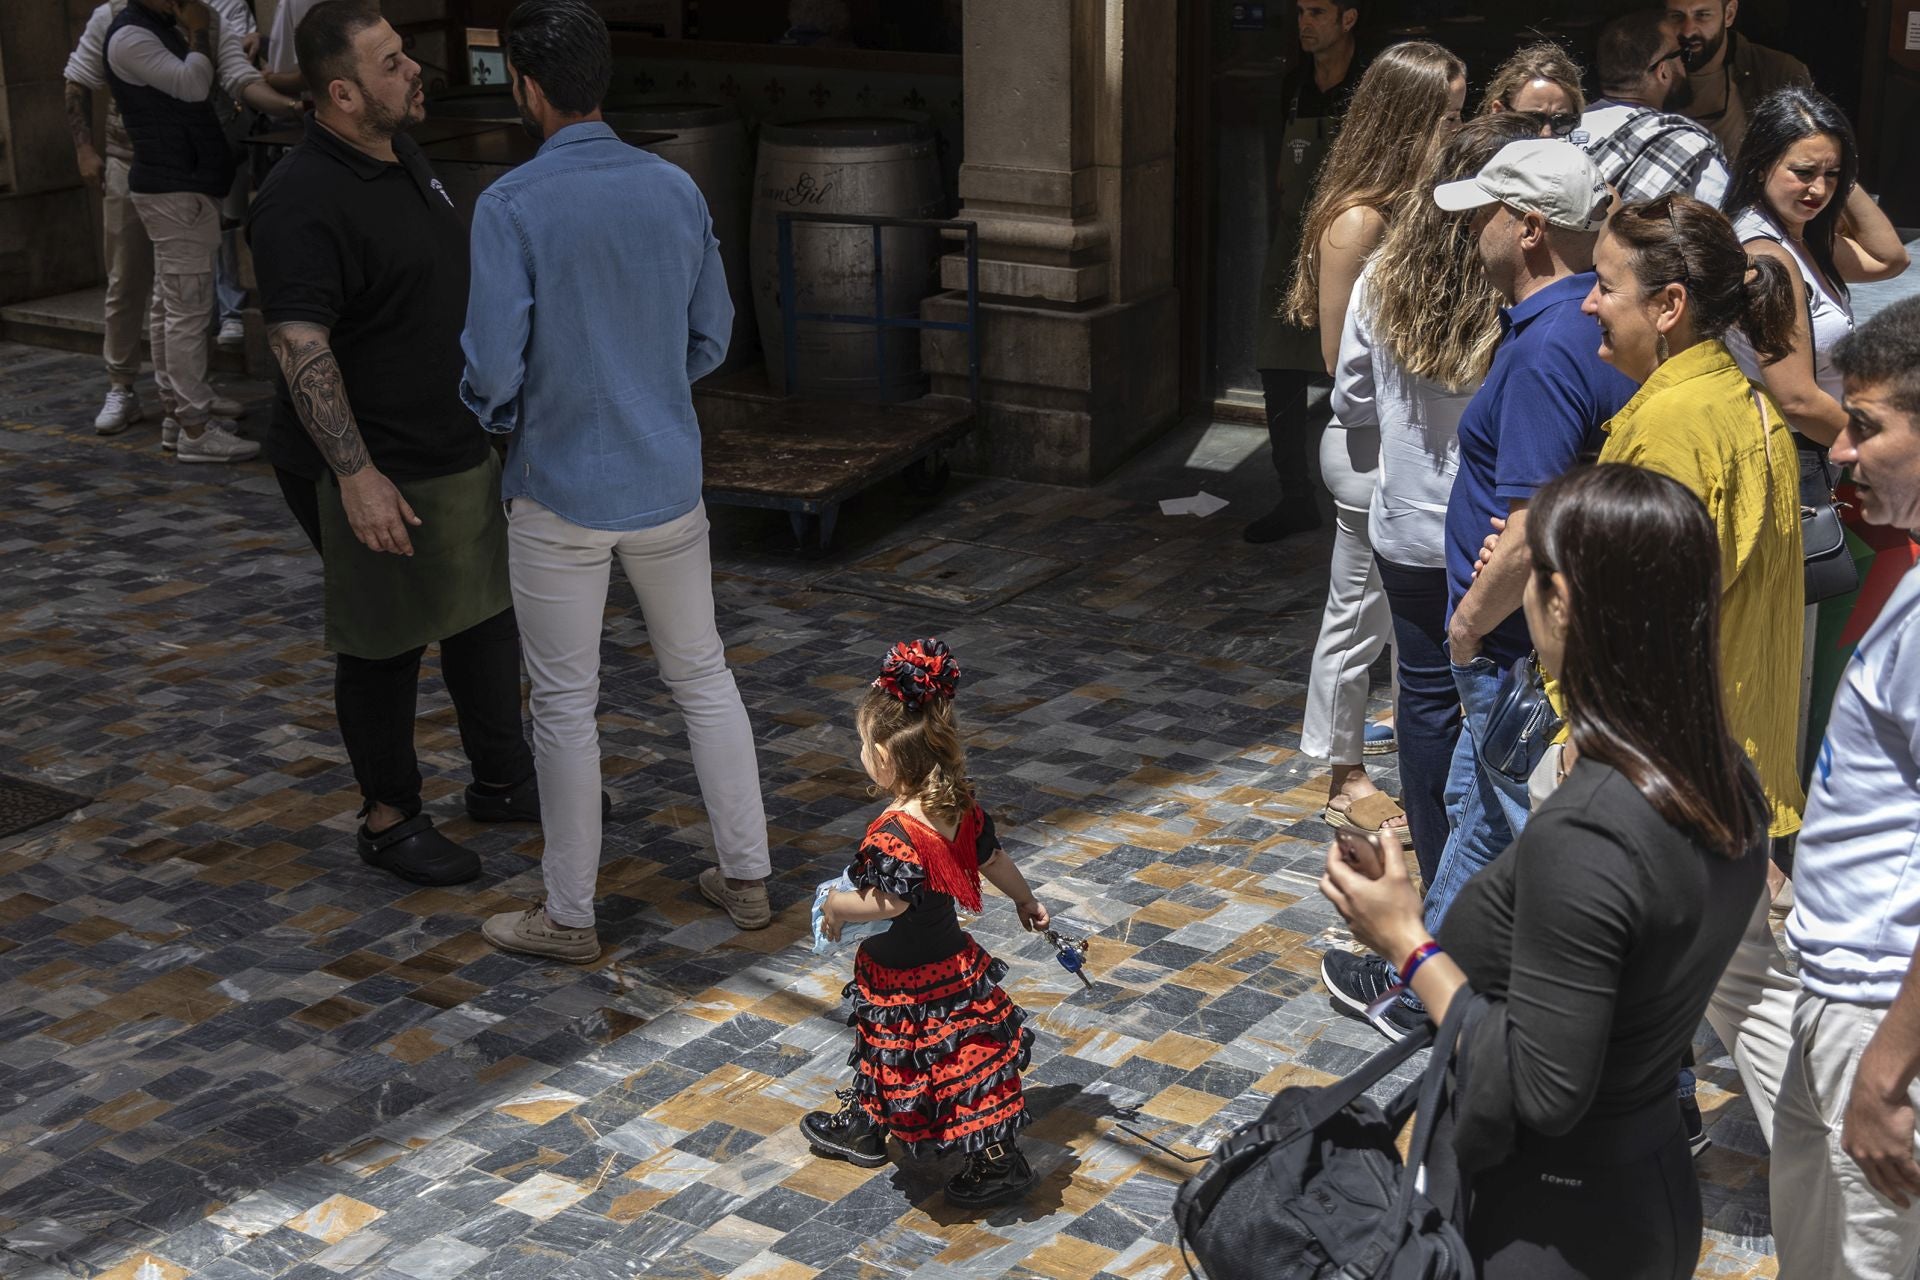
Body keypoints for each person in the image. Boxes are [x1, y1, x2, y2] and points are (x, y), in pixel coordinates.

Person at [1321, 462, 1770, 1279]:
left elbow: (1543, 1085)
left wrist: (1405, 941)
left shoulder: (1593, 830)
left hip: (1549, 1221)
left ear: (1560, 605)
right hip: (1647, 1190)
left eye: (1527, 573)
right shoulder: (1723, 778)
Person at [457, 0, 774, 957]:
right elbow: (712, 335)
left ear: (528, 88)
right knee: (704, 675)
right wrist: (644, 388)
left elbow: (492, 369)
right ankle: (749, 879)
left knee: (563, 704)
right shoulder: (674, 189)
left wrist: (504, 418)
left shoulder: (510, 204)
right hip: (667, 478)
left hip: (555, 486)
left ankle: (569, 916)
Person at [1321, 138, 1637, 1039]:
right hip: (1511, 649)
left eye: (1490, 211)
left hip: (1508, 652)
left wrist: (1464, 625)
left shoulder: (1551, 349)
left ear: (1530, 228)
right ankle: (1426, 988)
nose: (1474, 229)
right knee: (1477, 820)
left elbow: (1530, 521)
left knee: (1504, 821)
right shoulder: (1568, 325)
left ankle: (1441, 1006)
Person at [248, 0, 540, 890]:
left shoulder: (400, 151)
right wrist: (357, 476)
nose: (413, 69)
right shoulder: (299, 199)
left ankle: (502, 779)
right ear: (341, 93)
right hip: (371, 465)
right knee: (385, 642)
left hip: (449, 444)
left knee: (485, 624)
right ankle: (389, 817)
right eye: (390, 62)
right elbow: (300, 345)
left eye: (404, 53)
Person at [1582, 193, 1807, 1139]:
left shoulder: (1674, 428)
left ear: (1667, 305)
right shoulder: (1739, 398)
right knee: (1735, 992)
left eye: (1603, 286)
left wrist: (1594, 740)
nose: (1590, 305)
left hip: (1680, 771)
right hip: (1728, 762)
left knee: (1751, 1002)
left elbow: (1648, 623)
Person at [1332, 111, 1537, 884]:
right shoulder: (1521, 297)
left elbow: (1350, 396)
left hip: (1409, 531)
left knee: (1422, 706)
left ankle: (1440, 869)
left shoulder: (1384, 275)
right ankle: (1487, 881)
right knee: (1507, 709)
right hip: (1493, 539)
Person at [1284, 40, 1467, 851]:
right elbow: (1336, 359)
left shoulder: (1426, 204)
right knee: (1357, 616)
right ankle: (1341, 774)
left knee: (1395, 620)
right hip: (1364, 447)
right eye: (1451, 115)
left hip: (1402, 445)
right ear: (1411, 118)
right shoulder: (1359, 220)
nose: (1459, 131)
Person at [1770, 296, 1920, 1280]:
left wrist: (1888, 1066)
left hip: (1879, 1023)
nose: (1843, 451)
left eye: (1866, 427)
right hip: (1833, 993)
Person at [801, 639, 1050, 1210]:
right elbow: (992, 860)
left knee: (940, 1063)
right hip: (953, 961)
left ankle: (998, 1163)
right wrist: (1025, 899)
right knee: (940, 1055)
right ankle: (869, 1122)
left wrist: (839, 907)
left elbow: (888, 905)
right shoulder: (959, 806)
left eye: (864, 744)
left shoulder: (894, 831)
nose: (862, 752)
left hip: (908, 974)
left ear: (885, 756)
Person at [62, 0, 269, 439]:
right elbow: (78, 80)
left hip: (188, 166)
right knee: (128, 279)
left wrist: (287, 101)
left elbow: (236, 74)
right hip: (130, 162)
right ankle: (122, 384)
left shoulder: (204, 14)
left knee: (175, 293)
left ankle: (185, 399)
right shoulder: (115, 17)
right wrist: (84, 147)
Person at [1723, 87, 1909, 448]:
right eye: (1803, 172)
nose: (1819, 190)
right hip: (1792, 454)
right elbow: (1797, 401)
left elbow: (1889, 259)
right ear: (1761, 167)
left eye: (1832, 174)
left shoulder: (1798, 236)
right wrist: (1884, 450)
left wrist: (1836, 167)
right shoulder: (1766, 256)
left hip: (1815, 448)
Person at [1246, 0, 1365, 545]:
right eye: (1299, 11)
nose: (1304, 23)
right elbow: (1280, 174)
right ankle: (1295, 496)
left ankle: (1364, 495)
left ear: (1348, 18)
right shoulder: (1293, 85)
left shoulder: (1370, 87)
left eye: (1317, 11)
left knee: (1356, 367)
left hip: (1354, 242)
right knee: (1278, 369)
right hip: (1292, 244)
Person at [1578, 11, 1730, 207]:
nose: (1685, 64)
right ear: (1663, 71)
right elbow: (1727, 224)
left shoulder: (1561, 125)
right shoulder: (1685, 148)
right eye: (1681, 54)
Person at [1666, 0, 1810, 157]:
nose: (1688, 31)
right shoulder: (1646, 70)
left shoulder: (1777, 71)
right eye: (1676, 16)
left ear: (1729, 14)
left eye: (1702, 15)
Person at [1477, 39, 1585, 136]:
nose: (1546, 133)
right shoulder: (1476, 157)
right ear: (1498, 112)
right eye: (1531, 121)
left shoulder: (1577, 157)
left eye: (1562, 121)